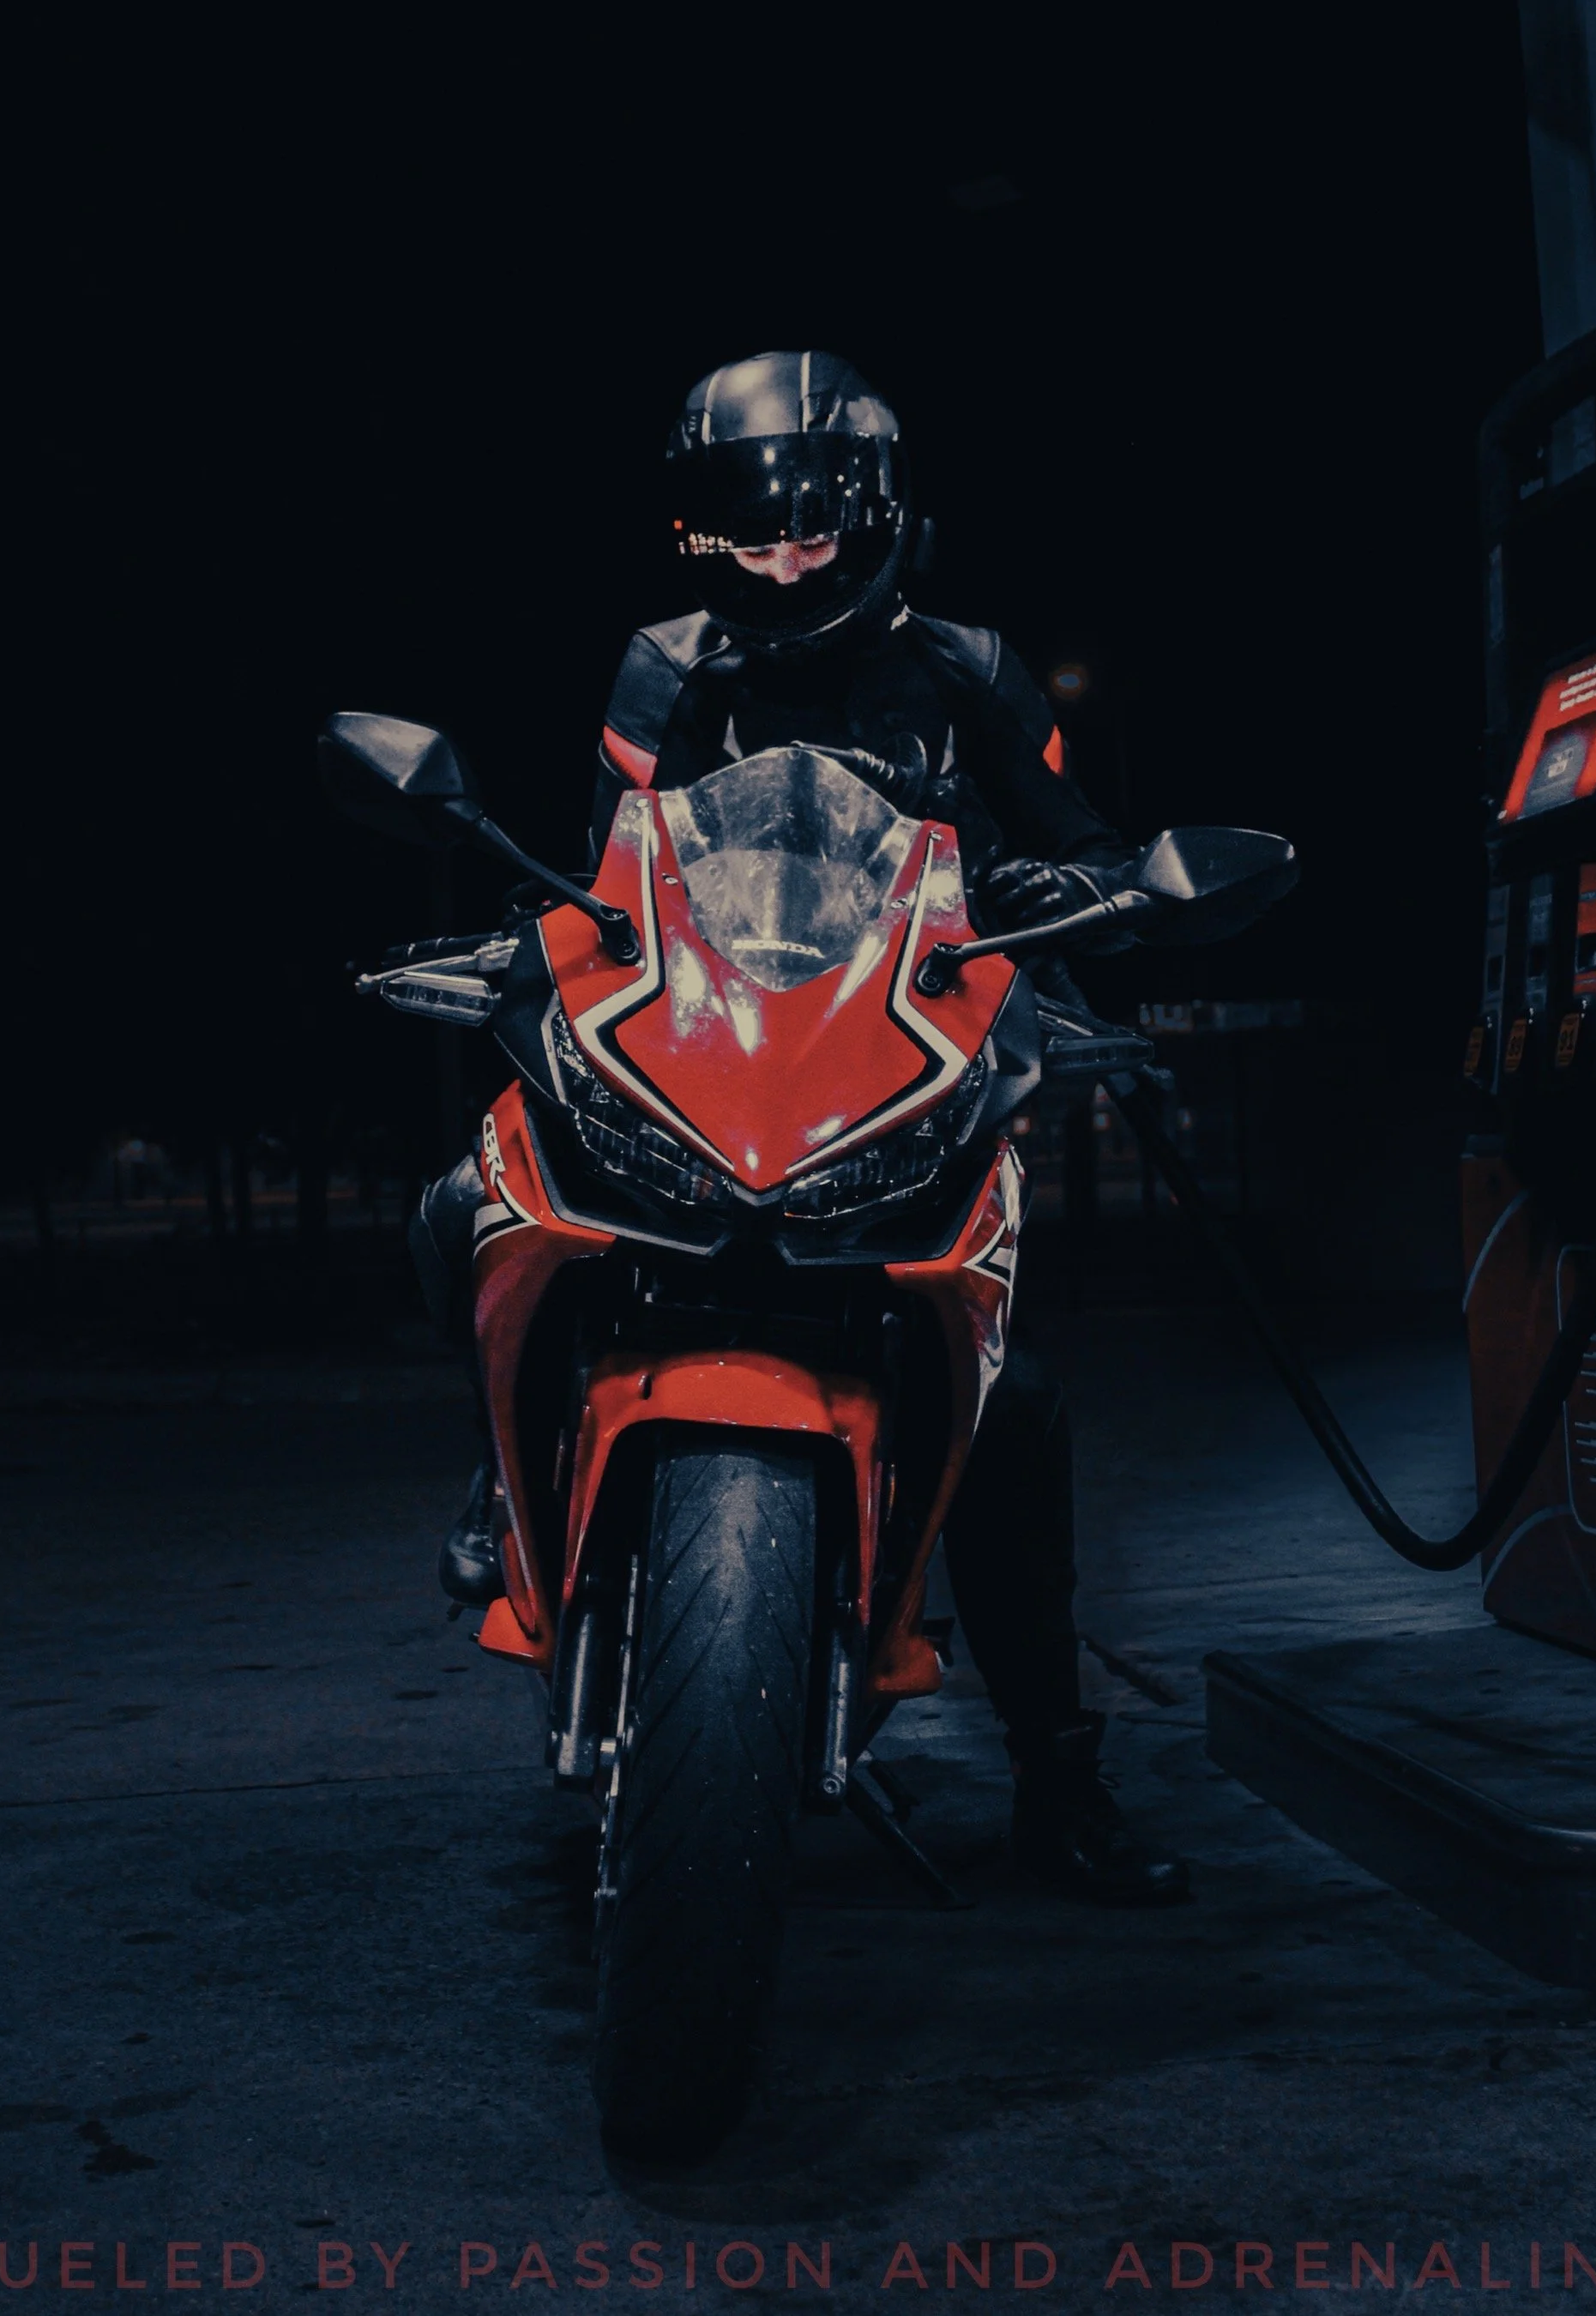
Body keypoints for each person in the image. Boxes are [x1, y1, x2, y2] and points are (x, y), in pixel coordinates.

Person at [414, 351, 1188, 1905]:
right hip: (710, 1056)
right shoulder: (664, 665)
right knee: (467, 1199)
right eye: (740, 528)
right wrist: (526, 938)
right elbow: (611, 869)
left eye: (810, 524)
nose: (776, 557)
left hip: (910, 1071)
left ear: (878, 514)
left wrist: (1093, 910)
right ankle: (507, 1480)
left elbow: (1089, 851)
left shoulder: (969, 668)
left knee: (1015, 1406)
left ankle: (1058, 1778)